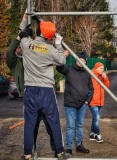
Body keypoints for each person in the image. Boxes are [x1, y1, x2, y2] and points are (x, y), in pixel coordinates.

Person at [7, 13, 58, 158]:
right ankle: (30, 152)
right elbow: (10, 51)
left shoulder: (33, 52)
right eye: (19, 47)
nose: (20, 48)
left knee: (50, 126)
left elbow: (42, 39)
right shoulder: (15, 62)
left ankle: (56, 150)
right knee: (32, 128)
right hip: (30, 96)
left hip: (43, 94)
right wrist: (19, 37)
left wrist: (29, 20)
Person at [19, 18, 69, 160]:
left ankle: (27, 154)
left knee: (29, 123)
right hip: (46, 90)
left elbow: (22, 34)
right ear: (51, 36)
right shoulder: (51, 50)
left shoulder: (27, 44)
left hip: (30, 89)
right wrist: (58, 44)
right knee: (54, 121)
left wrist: (24, 23)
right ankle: (60, 152)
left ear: (39, 31)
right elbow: (62, 60)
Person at [56, 52, 94, 157]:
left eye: (84, 61)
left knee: (80, 125)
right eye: (80, 60)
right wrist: (63, 56)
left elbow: (91, 88)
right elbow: (59, 68)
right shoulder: (69, 69)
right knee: (70, 126)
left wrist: (88, 100)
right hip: (71, 103)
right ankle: (68, 148)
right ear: (76, 60)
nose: (82, 62)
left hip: (82, 103)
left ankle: (79, 145)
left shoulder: (87, 73)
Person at [89, 62, 110, 143]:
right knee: (97, 118)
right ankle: (97, 134)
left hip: (100, 101)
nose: (102, 70)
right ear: (96, 68)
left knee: (95, 118)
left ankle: (92, 133)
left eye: (103, 68)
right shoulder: (91, 75)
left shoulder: (102, 76)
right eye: (101, 68)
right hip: (93, 101)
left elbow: (107, 86)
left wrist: (105, 78)